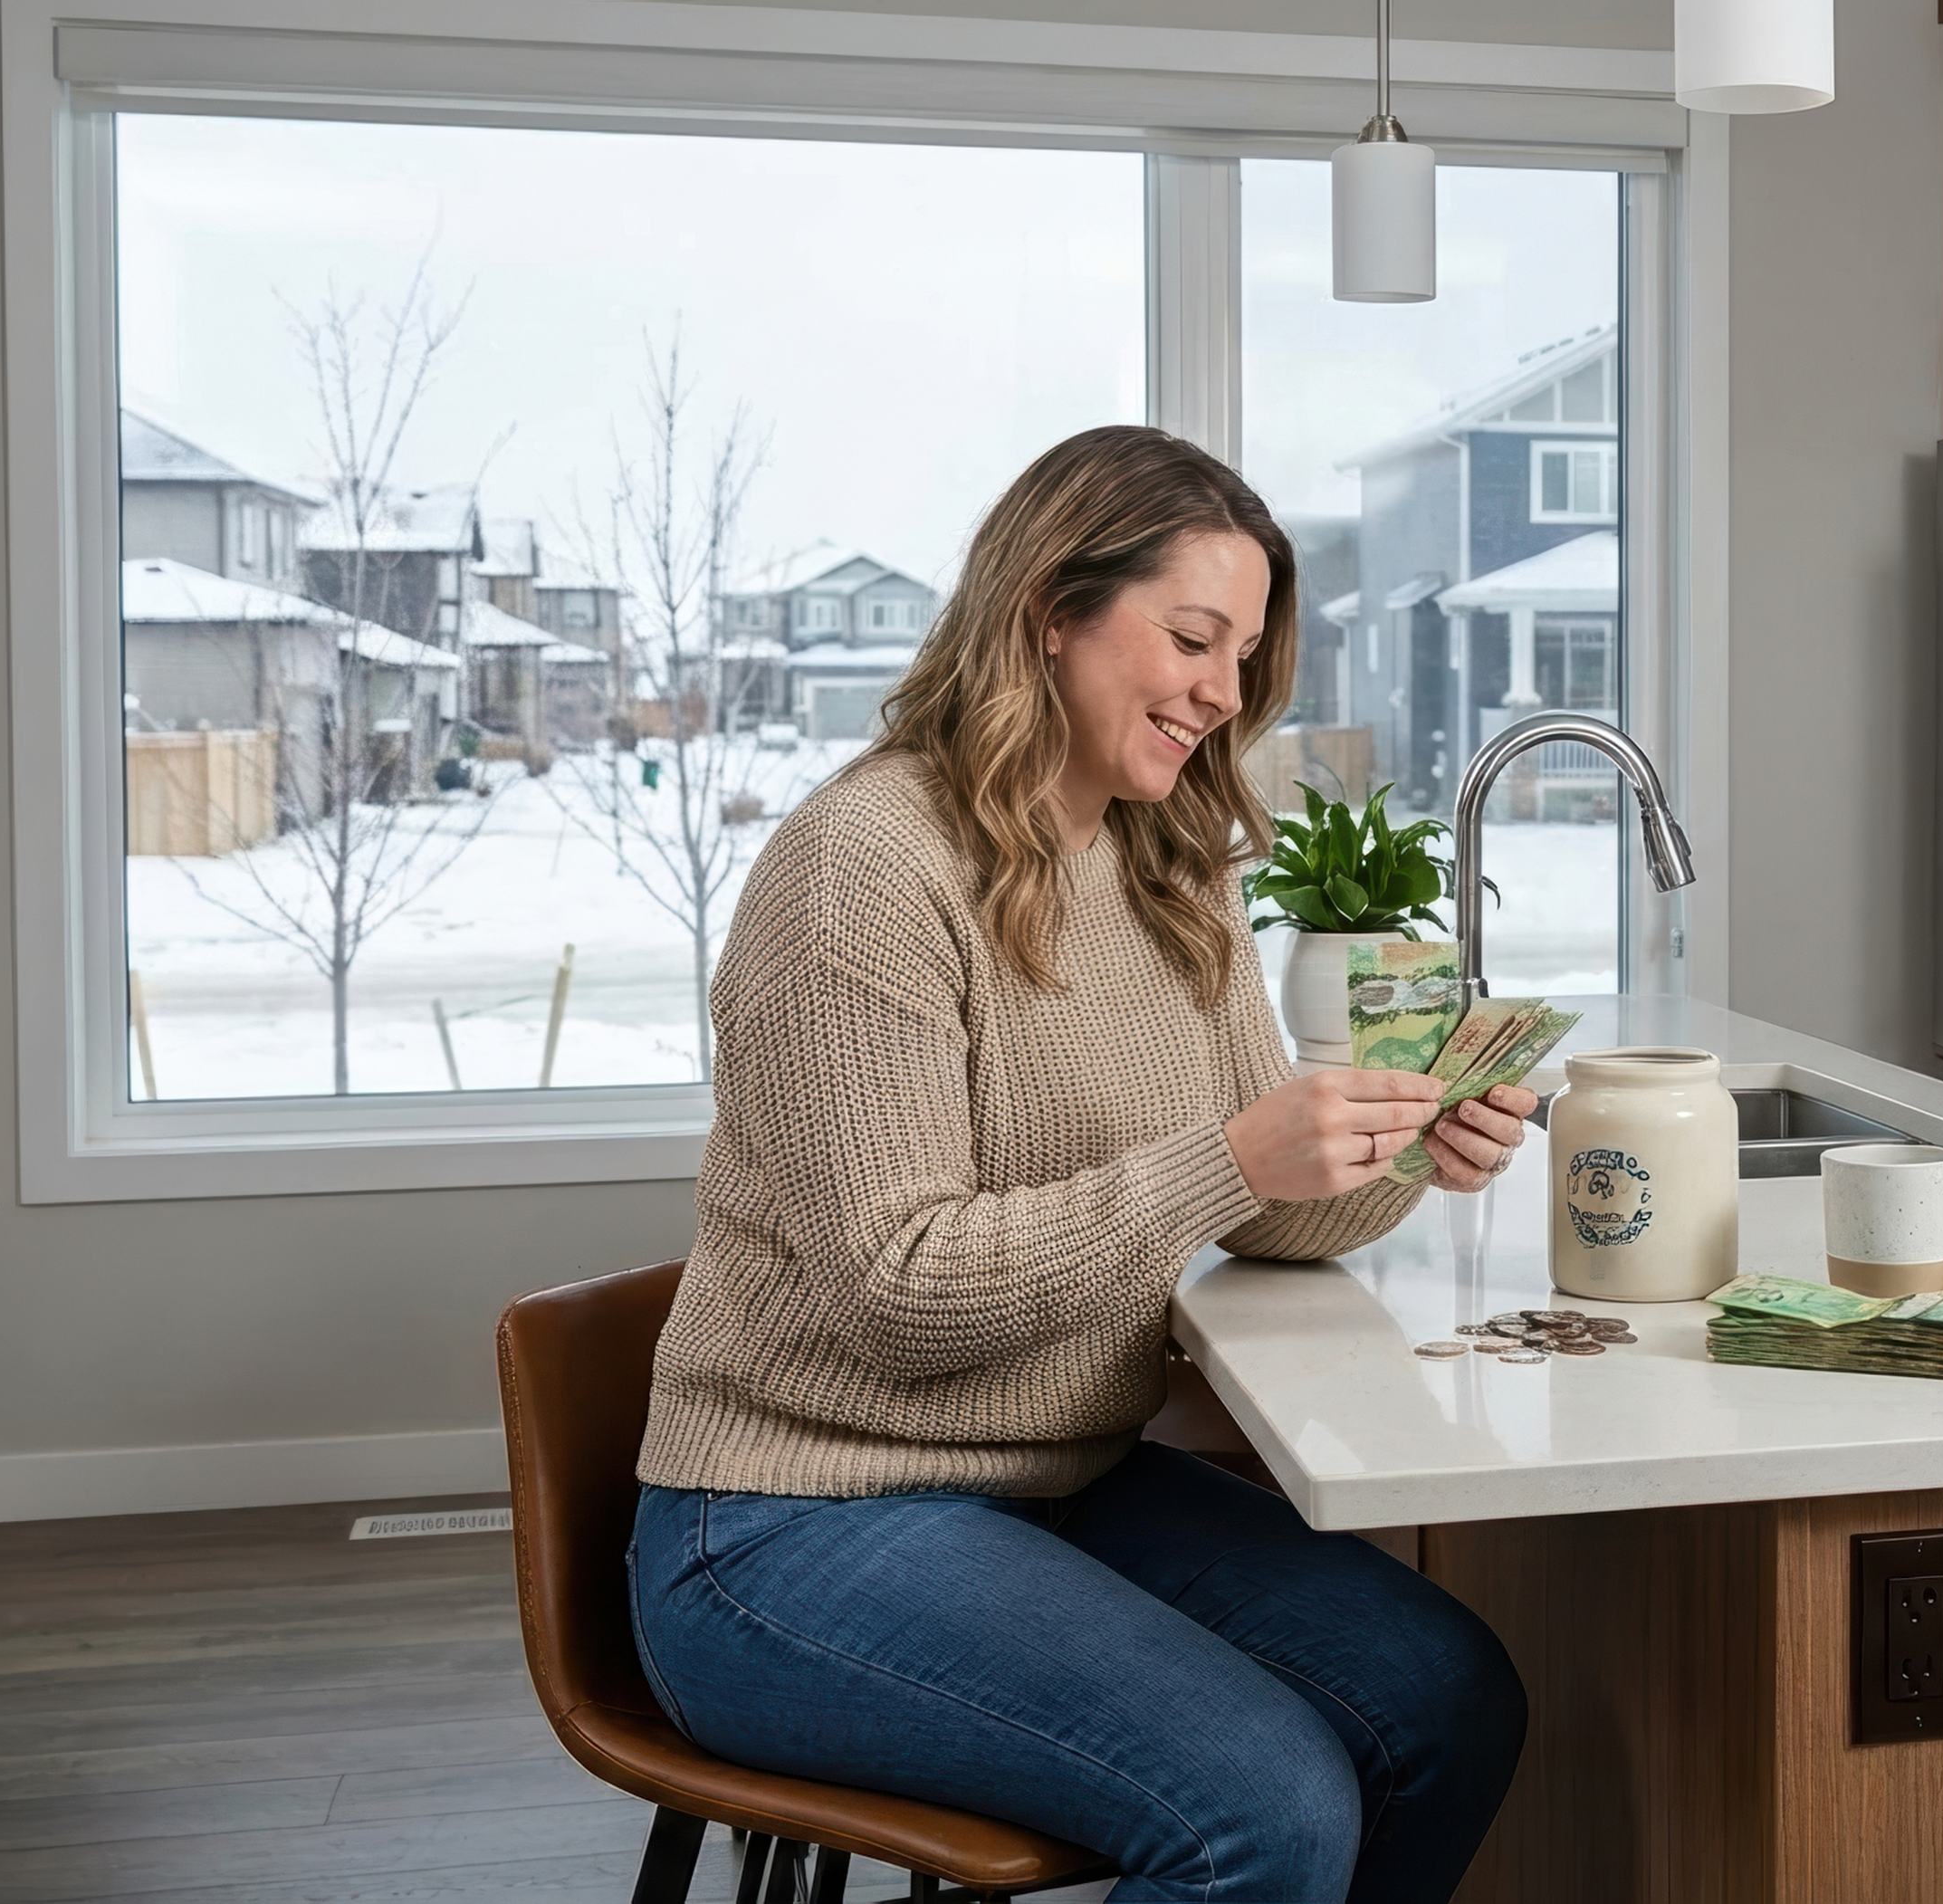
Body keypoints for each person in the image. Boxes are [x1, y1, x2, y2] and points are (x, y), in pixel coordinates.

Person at [629, 425, 1536, 1902]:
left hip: (1053, 1483)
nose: (1221, 695)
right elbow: (898, 1295)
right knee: (1267, 1807)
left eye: (1244, 658)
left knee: (1447, 1698)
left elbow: (1263, 1204)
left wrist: (1405, 1141)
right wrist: (1224, 1156)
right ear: (1051, 609)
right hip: (792, 1526)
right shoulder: (864, 868)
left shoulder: (1158, 863)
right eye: (1192, 639)